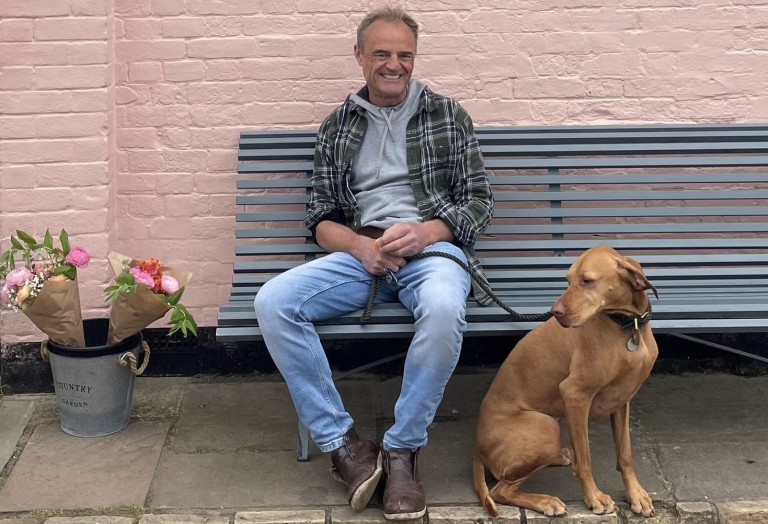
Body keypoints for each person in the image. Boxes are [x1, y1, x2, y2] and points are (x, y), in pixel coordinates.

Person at [254, 7, 493, 521]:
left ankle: (402, 451)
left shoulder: (447, 115)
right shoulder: (337, 126)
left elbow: (478, 202)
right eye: (381, 53)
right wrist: (360, 247)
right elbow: (320, 218)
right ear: (359, 55)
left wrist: (426, 232)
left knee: (444, 308)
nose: (394, 64)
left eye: (404, 54)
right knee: (273, 302)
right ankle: (346, 448)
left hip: (430, 254)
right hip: (362, 257)